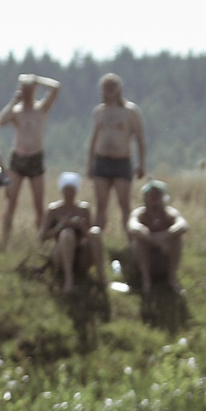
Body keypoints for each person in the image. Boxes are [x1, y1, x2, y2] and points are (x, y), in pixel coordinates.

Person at [85, 74, 146, 275]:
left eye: (112, 85)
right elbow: (93, 139)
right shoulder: (99, 112)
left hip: (122, 161)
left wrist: (141, 163)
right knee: (100, 205)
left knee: (124, 205)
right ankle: (95, 246)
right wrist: (90, 164)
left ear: (119, 88)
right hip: (102, 161)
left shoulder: (130, 111)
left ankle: (132, 244)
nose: (109, 89)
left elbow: (139, 137)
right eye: (106, 86)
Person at [0, 73, 60, 235]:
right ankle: (5, 238)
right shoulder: (16, 111)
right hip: (18, 158)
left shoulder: (41, 108)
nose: (27, 93)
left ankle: (41, 237)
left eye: (29, 90)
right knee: (11, 201)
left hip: (36, 158)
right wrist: (14, 100)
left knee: (39, 203)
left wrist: (36, 80)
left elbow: (55, 88)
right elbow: (1, 121)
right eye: (24, 89)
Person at [40, 171, 100, 293]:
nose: (69, 193)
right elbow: (42, 236)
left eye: (71, 190)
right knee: (67, 234)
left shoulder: (84, 209)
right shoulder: (54, 210)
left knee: (96, 232)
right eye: (66, 190)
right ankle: (69, 279)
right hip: (61, 255)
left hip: (80, 254)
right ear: (62, 190)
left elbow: (92, 237)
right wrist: (60, 226)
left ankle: (101, 276)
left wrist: (83, 228)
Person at [125, 179, 187, 292]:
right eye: (151, 194)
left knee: (177, 239)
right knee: (140, 240)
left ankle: (172, 279)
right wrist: (152, 238)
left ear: (163, 196)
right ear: (145, 196)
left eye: (158, 194)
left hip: (164, 256)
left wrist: (166, 234)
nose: (154, 197)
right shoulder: (140, 213)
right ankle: (146, 281)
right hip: (142, 258)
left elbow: (183, 225)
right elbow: (132, 226)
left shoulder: (169, 213)